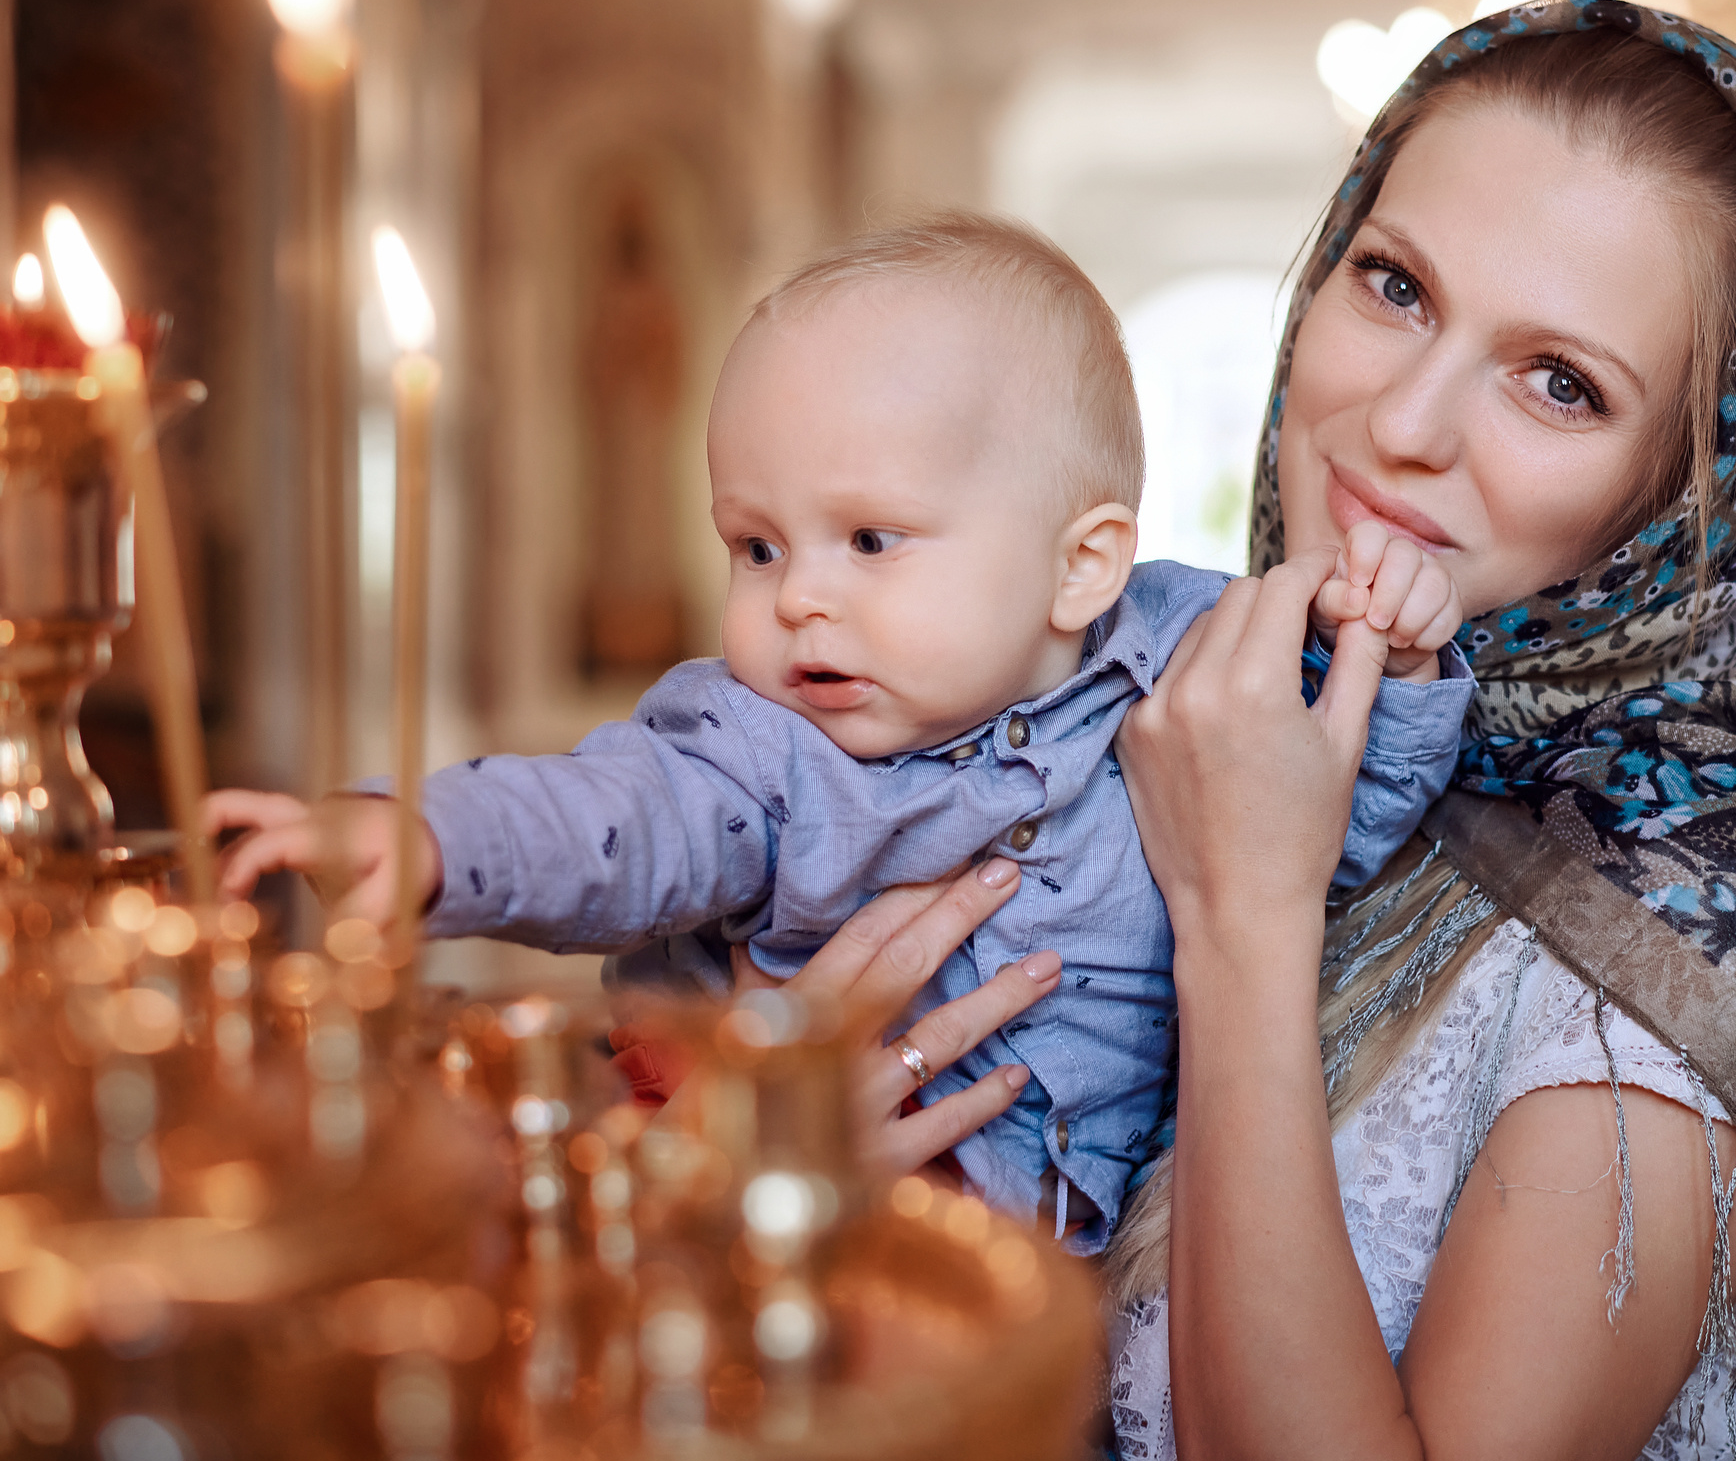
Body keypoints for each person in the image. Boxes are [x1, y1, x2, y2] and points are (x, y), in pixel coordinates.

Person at [665, 3, 1736, 1461]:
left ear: (1682, 502)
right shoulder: (1194, 697)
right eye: (1394, 286)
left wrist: (1245, 910)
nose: (1402, 420)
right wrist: (800, 1194)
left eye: (1561, 382)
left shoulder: (1695, 933)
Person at [205, 212, 1475, 1253]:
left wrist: (1403, 668)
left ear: (1082, 564)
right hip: (821, 1240)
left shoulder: (1192, 665)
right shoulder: (764, 749)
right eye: (755, 545)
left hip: (1097, 1300)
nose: (798, 594)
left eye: (870, 539)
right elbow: (617, 817)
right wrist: (428, 834)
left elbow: (1334, 826)